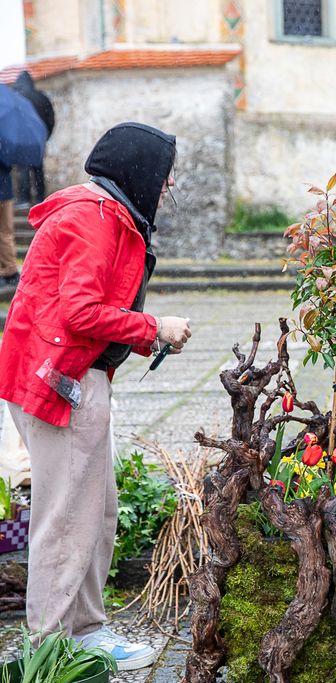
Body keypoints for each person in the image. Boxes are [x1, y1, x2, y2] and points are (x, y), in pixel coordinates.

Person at [0, 122, 192, 670]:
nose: (169, 183)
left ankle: (82, 631)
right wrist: (152, 327)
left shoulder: (102, 212)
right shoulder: (94, 218)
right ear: (140, 170)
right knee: (66, 521)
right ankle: (50, 648)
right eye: (165, 173)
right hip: (59, 382)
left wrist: (143, 333)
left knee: (95, 513)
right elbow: (79, 313)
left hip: (67, 375)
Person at [12, 71, 55, 209]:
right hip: (38, 140)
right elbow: (51, 119)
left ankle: (24, 198)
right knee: (38, 169)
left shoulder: (17, 98)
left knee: (23, 169)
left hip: (22, 140)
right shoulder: (41, 97)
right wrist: (45, 136)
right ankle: (40, 197)